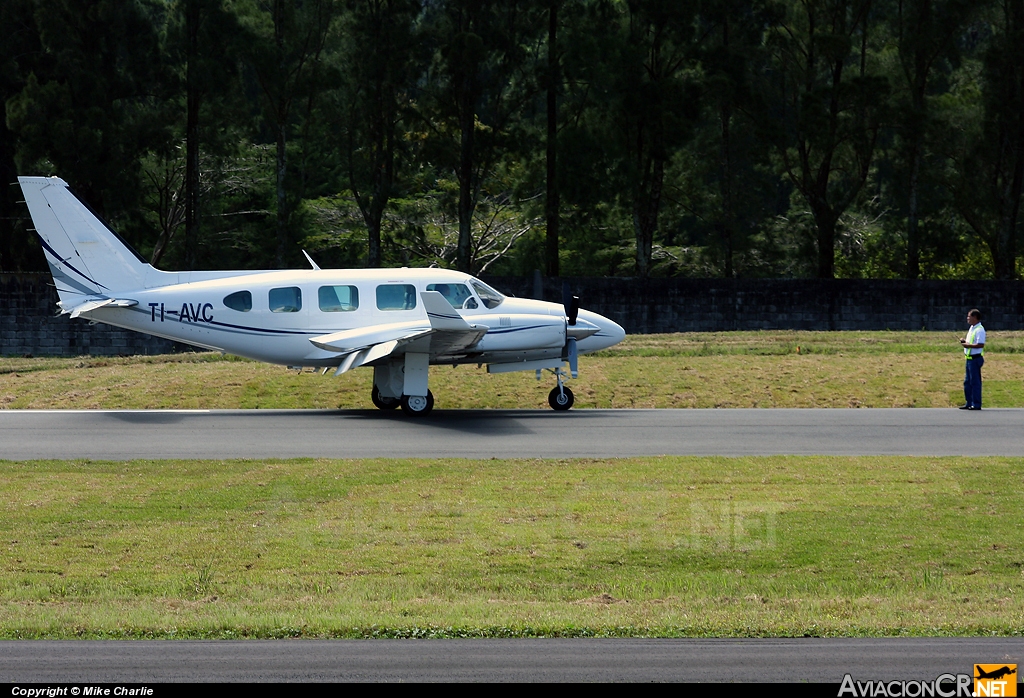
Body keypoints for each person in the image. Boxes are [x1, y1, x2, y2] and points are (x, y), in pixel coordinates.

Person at [959, 309, 986, 410]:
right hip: (969, 359)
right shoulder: (972, 328)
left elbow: (980, 344)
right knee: (967, 382)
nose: (967, 318)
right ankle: (969, 402)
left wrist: (967, 345)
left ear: (975, 317)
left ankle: (976, 404)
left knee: (975, 382)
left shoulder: (980, 330)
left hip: (975, 359)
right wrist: (965, 342)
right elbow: (972, 341)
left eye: (969, 316)